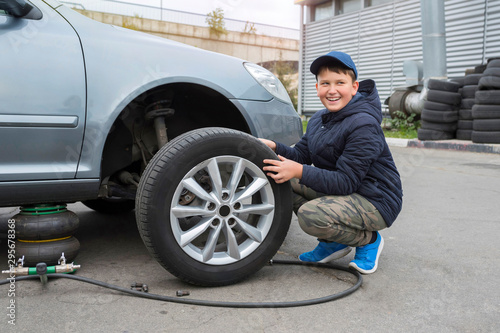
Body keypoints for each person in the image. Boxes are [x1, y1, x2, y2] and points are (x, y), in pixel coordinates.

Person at [260, 51, 403, 274]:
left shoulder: (363, 125)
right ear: (317, 88)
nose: (332, 90)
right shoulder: (319, 119)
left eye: (340, 83)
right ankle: (333, 241)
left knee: (311, 215)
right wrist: (275, 147)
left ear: (354, 87)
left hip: (375, 199)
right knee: (278, 178)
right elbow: (301, 155)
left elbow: (346, 182)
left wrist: (298, 170)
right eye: (325, 83)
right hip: (348, 191)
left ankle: (368, 240)